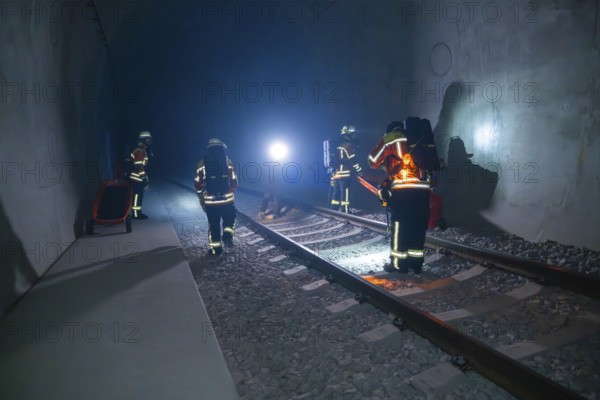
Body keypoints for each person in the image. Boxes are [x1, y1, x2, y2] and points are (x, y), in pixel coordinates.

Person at [368, 121, 431, 274]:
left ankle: (398, 264)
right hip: (423, 190)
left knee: (400, 226)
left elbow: (373, 161)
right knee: (417, 226)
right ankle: (416, 264)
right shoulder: (422, 137)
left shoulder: (392, 137)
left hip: (403, 189)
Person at [195, 138, 238, 256]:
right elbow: (234, 181)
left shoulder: (202, 162)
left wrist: (200, 195)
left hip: (211, 202)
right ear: (222, 147)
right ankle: (227, 236)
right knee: (230, 220)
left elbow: (198, 182)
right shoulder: (228, 161)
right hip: (227, 200)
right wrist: (231, 190)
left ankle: (216, 249)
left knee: (213, 225)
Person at [327, 125, 362, 213]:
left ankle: (333, 210)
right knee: (345, 193)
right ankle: (345, 210)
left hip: (336, 174)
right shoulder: (347, 145)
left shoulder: (337, 144)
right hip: (344, 174)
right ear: (348, 134)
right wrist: (359, 170)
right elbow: (353, 159)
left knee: (335, 194)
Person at [128, 131, 153, 219]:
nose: (150, 142)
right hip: (136, 179)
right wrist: (145, 182)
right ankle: (136, 215)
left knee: (139, 197)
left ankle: (138, 213)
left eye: (150, 140)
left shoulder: (142, 150)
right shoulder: (139, 151)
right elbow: (139, 167)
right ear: (143, 140)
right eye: (148, 140)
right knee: (137, 197)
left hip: (138, 179)